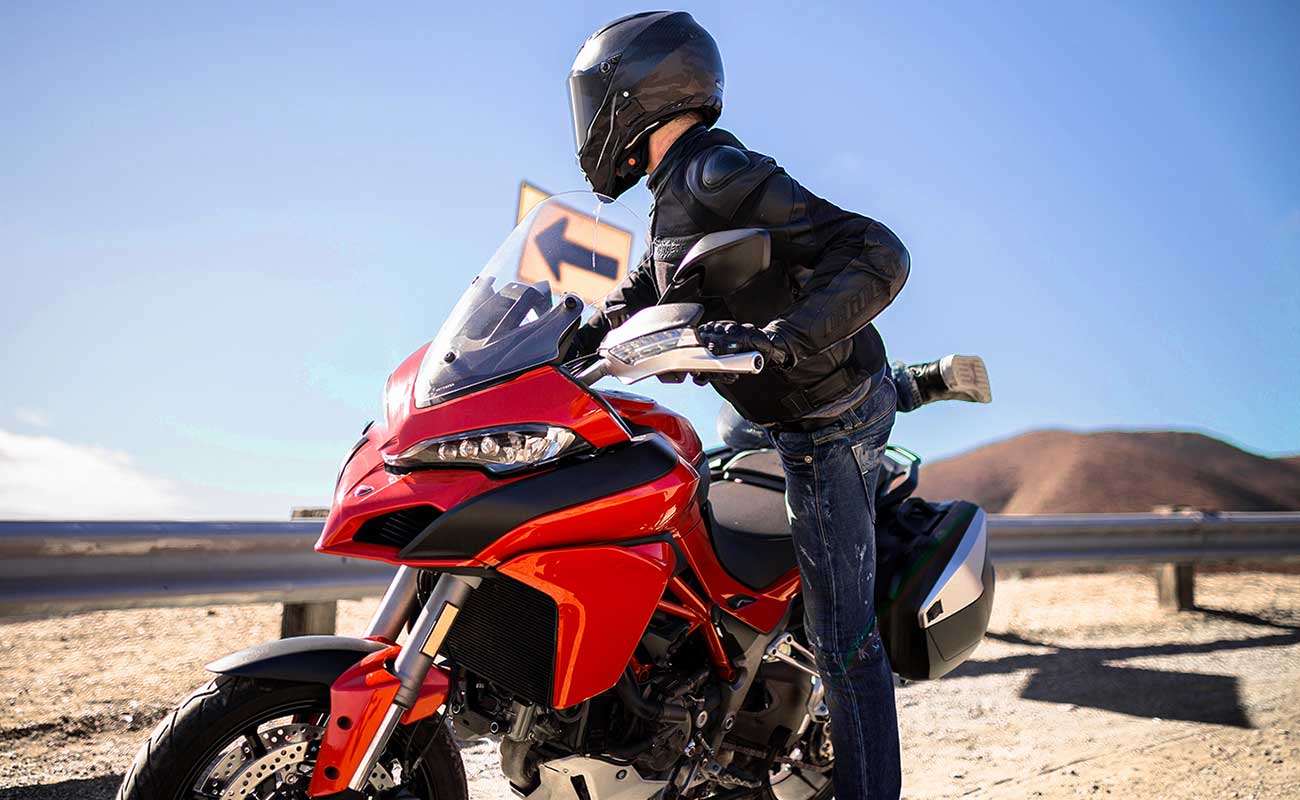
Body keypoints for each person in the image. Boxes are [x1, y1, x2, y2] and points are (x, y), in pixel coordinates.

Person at [565, 12, 986, 798]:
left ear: (635, 93)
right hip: (773, 404)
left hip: (825, 424)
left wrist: (785, 340)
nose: (586, 121)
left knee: (843, 640)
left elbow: (879, 252)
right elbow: (652, 285)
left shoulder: (718, 171)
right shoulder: (676, 185)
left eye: (593, 100)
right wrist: (571, 337)